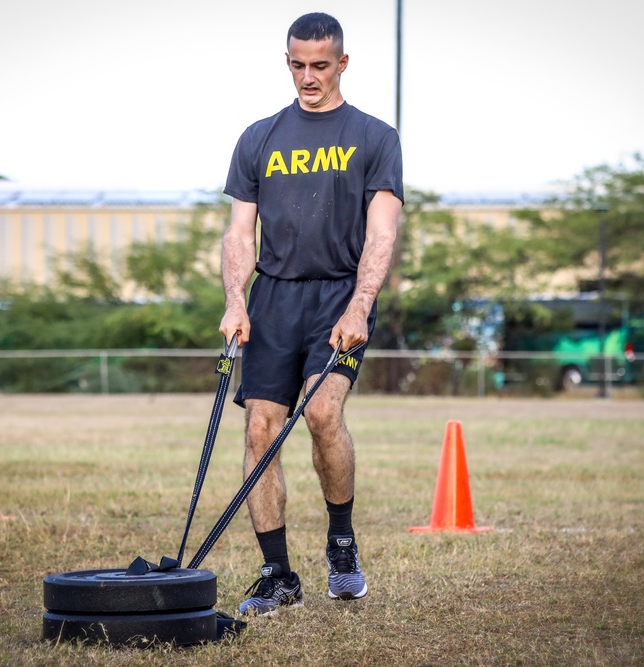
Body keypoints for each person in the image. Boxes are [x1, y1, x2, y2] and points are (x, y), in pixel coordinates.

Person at [218, 12, 403, 616]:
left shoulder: (375, 137)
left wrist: (361, 305)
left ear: (342, 64)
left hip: (337, 298)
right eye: (297, 64)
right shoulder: (259, 137)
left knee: (324, 413)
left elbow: (383, 231)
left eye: (320, 65)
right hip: (274, 297)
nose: (308, 76)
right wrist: (235, 300)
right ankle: (277, 574)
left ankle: (342, 544)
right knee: (259, 428)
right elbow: (240, 232)